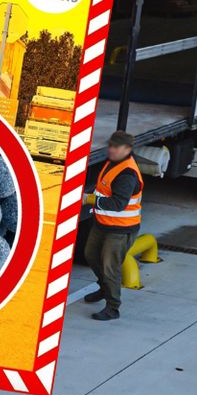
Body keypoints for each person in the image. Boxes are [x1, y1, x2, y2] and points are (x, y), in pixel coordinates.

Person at [82, 131, 143, 321]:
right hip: (103, 223)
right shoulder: (113, 162)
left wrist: (88, 199)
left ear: (127, 149)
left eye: (116, 147)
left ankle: (112, 307)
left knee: (110, 267)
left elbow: (118, 204)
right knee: (90, 255)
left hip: (121, 229)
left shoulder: (127, 174)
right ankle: (104, 288)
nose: (111, 149)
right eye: (110, 145)